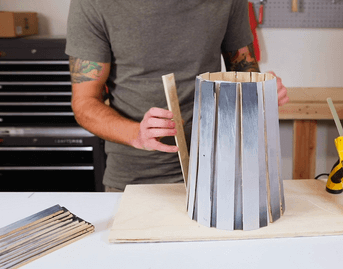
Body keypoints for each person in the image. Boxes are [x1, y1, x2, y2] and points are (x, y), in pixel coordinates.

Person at [65, 0, 289, 192]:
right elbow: (84, 102)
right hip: (136, 181)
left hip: (218, 173)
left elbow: (244, 74)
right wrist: (136, 134)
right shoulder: (94, 3)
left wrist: (261, 93)